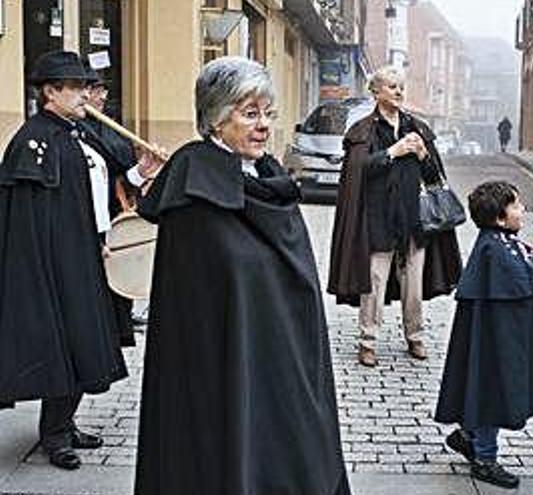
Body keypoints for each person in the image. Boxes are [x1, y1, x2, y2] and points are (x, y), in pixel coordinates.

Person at [134, 56, 350, 495]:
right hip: (224, 374)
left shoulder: (268, 176)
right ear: (215, 119)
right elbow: (201, 308)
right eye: (250, 114)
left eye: (268, 114)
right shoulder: (195, 186)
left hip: (284, 363)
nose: (264, 126)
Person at [0, 51, 129, 470]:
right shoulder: (33, 141)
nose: (85, 95)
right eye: (76, 87)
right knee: (65, 343)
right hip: (56, 263)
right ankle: (54, 435)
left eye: (87, 87)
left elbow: (100, 189)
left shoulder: (79, 133)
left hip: (88, 253)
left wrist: (141, 171)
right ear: (50, 92)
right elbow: (30, 220)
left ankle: (65, 424)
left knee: (84, 342)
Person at [435, 181, 533, 489]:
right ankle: (485, 460)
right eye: (516, 205)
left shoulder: (503, 240)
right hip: (495, 341)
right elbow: (521, 279)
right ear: (500, 218)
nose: (523, 210)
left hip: (497, 337)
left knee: (486, 389)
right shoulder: (494, 246)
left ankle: (467, 435)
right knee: (491, 394)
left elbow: (526, 276)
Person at [328, 66, 462, 367]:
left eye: (402, 86)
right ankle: (368, 341)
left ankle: (415, 338)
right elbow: (359, 171)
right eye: (392, 86)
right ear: (376, 92)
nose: (400, 91)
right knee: (374, 283)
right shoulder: (364, 131)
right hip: (377, 220)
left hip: (414, 220)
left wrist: (423, 155)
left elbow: (434, 177)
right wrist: (394, 151)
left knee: (413, 286)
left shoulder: (418, 128)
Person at [80, 64, 161, 347]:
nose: (101, 96)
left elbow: (119, 178)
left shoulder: (106, 127)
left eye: (102, 89)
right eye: (94, 90)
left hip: (115, 215)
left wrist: (142, 170)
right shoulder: (77, 132)